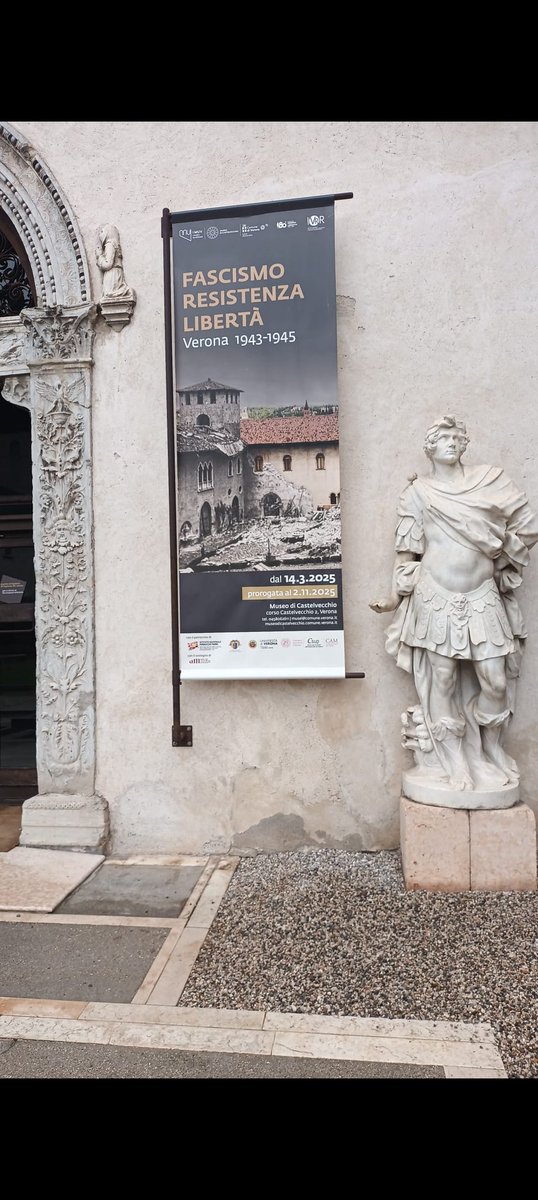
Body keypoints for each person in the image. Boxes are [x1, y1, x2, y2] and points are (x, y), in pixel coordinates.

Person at [370, 416, 538, 792]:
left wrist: (498, 551)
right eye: (441, 438)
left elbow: (529, 528)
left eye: (455, 437)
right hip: (435, 597)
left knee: (495, 681)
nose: (449, 443)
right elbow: (407, 552)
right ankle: (455, 762)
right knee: (441, 681)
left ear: (464, 444)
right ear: (429, 448)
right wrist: (394, 597)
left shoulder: (491, 481)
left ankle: (489, 748)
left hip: (482, 597)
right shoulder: (417, 493)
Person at [95, 225, 133, 298]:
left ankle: (125, 291)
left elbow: (108, 264)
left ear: (108, 233)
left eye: (102, 232)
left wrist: (99, 256)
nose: (100, 234)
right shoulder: (115, 244)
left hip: (112, 274)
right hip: (116, 272)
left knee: (109, 295)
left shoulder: (110, 244)